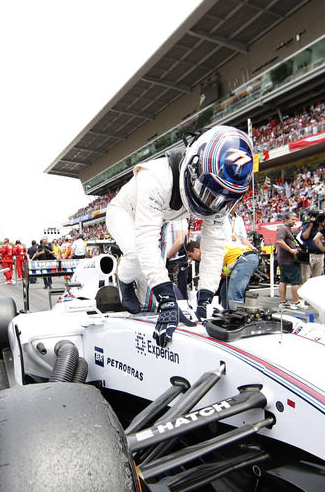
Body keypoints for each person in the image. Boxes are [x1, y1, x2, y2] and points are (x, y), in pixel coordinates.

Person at [105, 125, 255, 346]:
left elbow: (214, 248)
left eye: (222, 199)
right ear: (193, 168)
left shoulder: (221, 200)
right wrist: (167, 300)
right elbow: (146, 240)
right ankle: (124, 280)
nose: (213, 204)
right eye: (208, 192)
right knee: (136, 254)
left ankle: (134, 280)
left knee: (147, 266)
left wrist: (205, 298)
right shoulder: (155, 177)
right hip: (125, 212)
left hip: (161, 215)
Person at [274, 212, 305, 308]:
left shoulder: (285, 229)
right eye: (293, 219)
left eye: (295, 219)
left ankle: (283, 302)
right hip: (289, 259)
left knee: (283, 280)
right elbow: (279, 241)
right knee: (296, 281)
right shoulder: (283, 229)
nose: (294, 221)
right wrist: (291, 250)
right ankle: (296, 302)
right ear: (286, 219)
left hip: (284, 259)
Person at [299, 211, 325, 280]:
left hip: (320, 255)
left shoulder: (321, 227)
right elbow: (304, 237)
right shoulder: (308, 226)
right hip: (309, 254)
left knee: (317, 278)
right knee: (306, 277)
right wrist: (310, 225)